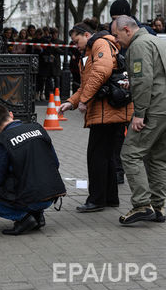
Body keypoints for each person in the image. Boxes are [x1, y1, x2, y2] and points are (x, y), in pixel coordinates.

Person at [58, 18, 133, 213]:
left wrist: (83, 100)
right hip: (110, 112)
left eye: (76, 41)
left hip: (104, 112)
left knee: (97, 156)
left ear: (86, 35)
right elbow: (87, 83)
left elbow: (101, 71)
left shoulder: (99, 44)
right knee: (107, 156)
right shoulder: (97, 47)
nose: (76, 46)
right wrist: (71, 102)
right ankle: (110, 198)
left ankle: (97, 199)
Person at [0, 104, 66, 235]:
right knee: (32, 173)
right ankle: (38, 216)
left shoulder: (2, 140)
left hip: (30, 199)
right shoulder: (38, 128)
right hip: (50, 195)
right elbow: (55, 162)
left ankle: (24, 218)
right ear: (11, 115)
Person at [111, 15, 166, 225]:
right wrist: (133, 84)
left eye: (117, 35)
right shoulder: (155, 41)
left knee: (130, 154)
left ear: (127, 30)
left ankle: (142, 204)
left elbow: (144, 79)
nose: (116, 41)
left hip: (153, 108)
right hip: (164, 107)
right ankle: (158, 205)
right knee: (158, 158)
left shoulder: (138, 45)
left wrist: (140, 113)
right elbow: (154, 76)